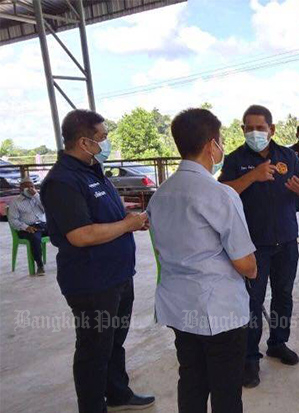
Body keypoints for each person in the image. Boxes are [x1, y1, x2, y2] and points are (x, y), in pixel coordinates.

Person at [40, 109, 155, 412]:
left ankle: (117, 393)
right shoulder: (63, 181)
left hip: (117, 275)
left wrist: (130, 222)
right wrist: (126, 225)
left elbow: (107, 218)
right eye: (102, 137)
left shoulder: (93, 171)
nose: (106, 142)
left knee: (114, 341)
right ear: (83, 142)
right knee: (94, 348)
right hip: (91, 283)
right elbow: (80, 235)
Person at [148, 109, 257, 413]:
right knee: (226, 391)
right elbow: (245, 262)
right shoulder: (219, 194)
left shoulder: (160, 195)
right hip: (219, 311)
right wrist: (253, 268)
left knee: (192, 380)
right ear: (212, 145)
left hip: (179, 307)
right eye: (220, 142)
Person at [219, 104, 299, 388]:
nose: (255, 133)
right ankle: (249, 358)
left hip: (286, 240)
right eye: (249, 128)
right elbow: (223, 194)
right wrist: (252, 176)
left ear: (272, 130)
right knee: (251, 302)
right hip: (252, 244)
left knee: (284, 294)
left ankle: (278, 343)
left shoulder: (288, 156)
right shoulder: (236, 159)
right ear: (242, 130)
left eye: (260, 128)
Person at [8, 177, 48, 275]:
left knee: (62, 230)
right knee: (35, 238)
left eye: (32, 186)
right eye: (27, 187)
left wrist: (36, 196)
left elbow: (46, 209)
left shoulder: (38, 197)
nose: (30, 189)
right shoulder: (15, 202)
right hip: (27, 228)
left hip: (42, 225)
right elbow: (13, 220)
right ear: (21, 189)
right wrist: (26, 227)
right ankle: (40, 265)